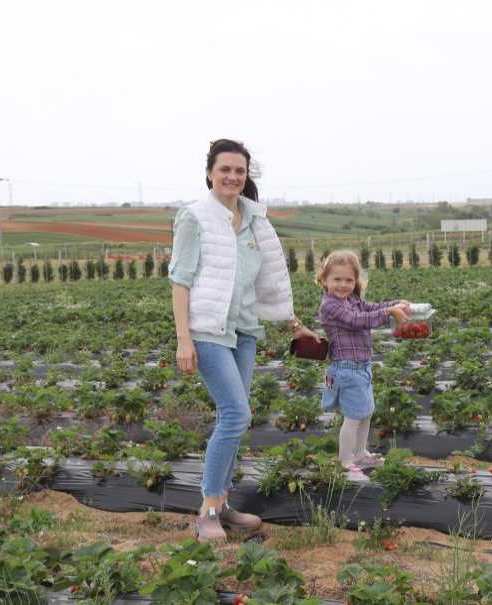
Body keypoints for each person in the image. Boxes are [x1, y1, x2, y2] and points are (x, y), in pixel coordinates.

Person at [169, 138, 319, 543]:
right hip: (207, 331)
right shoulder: (194, 218)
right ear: (209, 173)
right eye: (225, 170)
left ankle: (224, 504)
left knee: (234, 417)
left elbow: (268, 281)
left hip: (244, 332)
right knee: (235, 415)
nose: (233, 177)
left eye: (239, 171)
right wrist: (185, 339)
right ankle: (207, 511)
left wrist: (293, 325)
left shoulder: (255, 220)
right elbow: (180, 281)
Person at [316, 250, 410, 483]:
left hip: (361, 367)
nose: (343, 285)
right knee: (353, 417)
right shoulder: (331, 306)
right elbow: (358, 321)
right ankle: (345, 462)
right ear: (324, 279)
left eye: (349, 280)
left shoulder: (353, 299)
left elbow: (368, 308)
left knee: (365, 412)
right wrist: (389, 313)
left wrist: (395, 304)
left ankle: (359, 454)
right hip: (346, 369)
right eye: (337, 279)